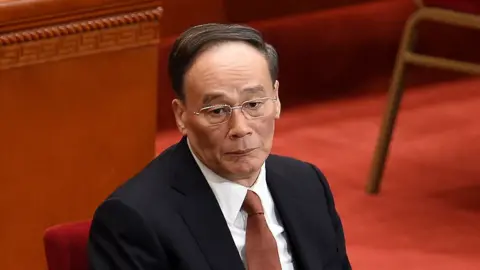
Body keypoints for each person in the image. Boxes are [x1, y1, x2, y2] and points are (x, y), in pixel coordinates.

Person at [88, 23, 351, 270]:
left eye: (253, 105)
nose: (240, 127)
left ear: (276, 99)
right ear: (181, 116)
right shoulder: (133, 220)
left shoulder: (307, 184)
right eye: (217, 110)